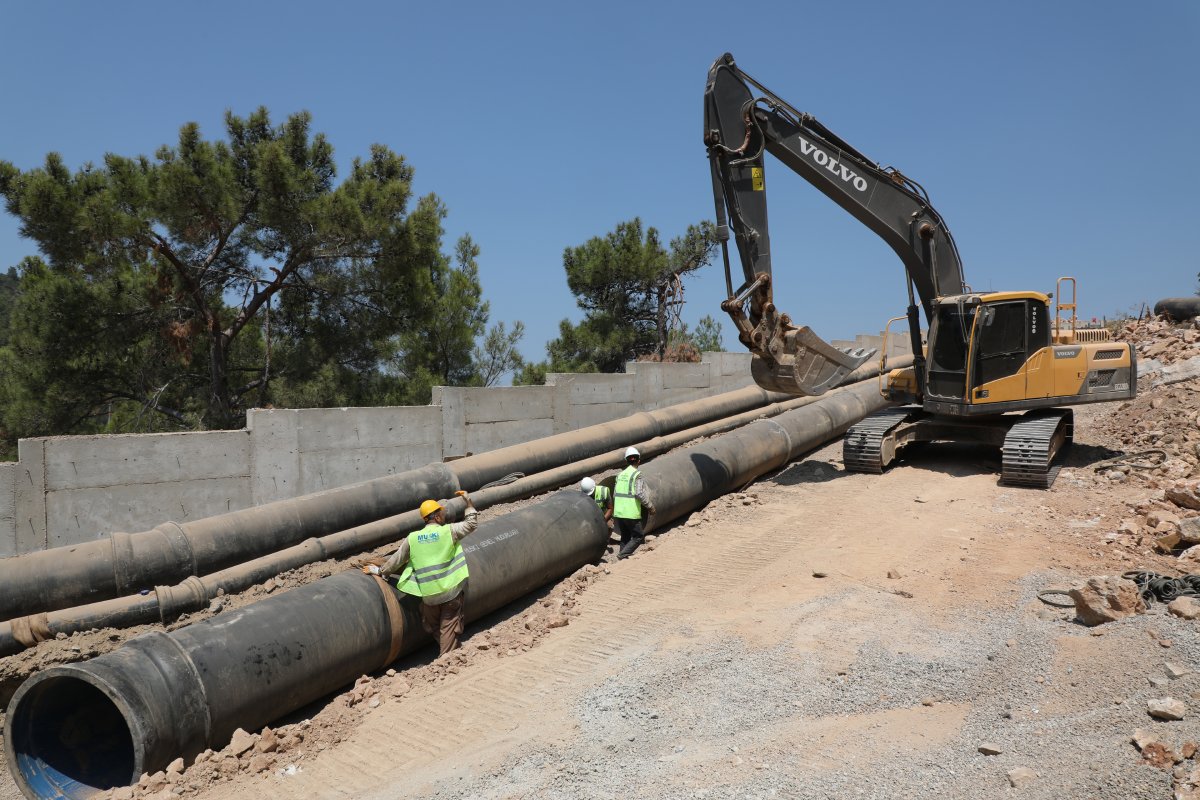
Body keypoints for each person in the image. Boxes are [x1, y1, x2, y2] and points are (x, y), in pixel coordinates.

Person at [375, 491, 478, 656]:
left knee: (431, 623)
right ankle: (448, 659)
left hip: (429, 596)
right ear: (436, 517)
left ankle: (450, 648)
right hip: (451, 592)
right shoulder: (448, 531)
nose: (444, 516)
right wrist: (469, 502)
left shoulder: (413, 538)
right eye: (442, 513)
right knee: (448, 626)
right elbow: (471, 524)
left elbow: (396, 560)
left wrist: (380, 571)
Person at [612, 446, 653, 559]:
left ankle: (621, 558)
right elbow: (639, 493)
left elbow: (615, 494)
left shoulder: (619, 475)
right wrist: (650, 507)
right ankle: (623, 554)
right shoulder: (637, 474)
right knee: (638, 536)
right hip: (631, 512)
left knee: (625, 536)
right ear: (639, 460)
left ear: (626, 460)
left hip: (619, 512)